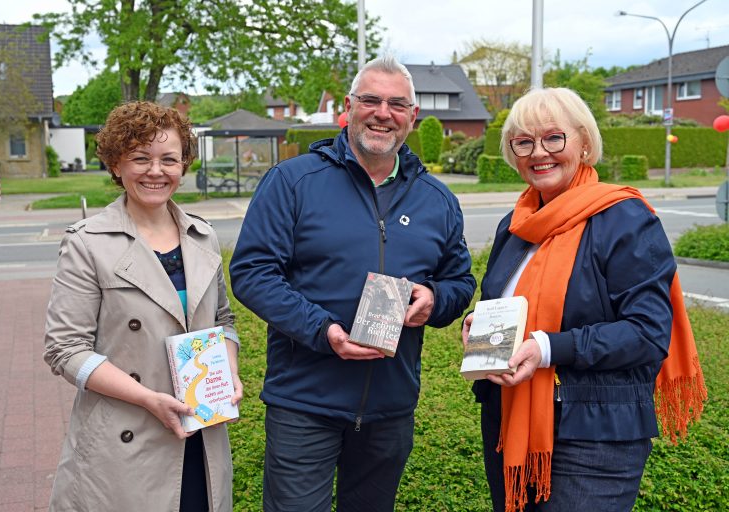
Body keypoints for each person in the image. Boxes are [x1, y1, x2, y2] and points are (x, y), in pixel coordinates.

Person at [229, 55, 476, 511]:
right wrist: (323, 332)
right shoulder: (294, 181)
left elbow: (460, 279)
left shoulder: (436, 199)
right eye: (371, 100)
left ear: (412, 116)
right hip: (306, 403)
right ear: (349, 106)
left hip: (390, 407)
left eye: (397, 104)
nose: (384, 113)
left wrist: (435, 298)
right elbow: (252, 272)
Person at [462, 87, 706, 512]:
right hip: (510, 424)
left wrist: (547, 347)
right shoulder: (515, 225)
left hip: (595, 436)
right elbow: (504, 302)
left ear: (585, 143)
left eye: (553, 138)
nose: (539, 152)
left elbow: (648, 334)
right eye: (524, 141)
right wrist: (480, 328)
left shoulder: (623, 218)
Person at [43, 101, 242, 511]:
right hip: (126, 438)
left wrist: (230, 374)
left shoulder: (201, 236)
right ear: (116, 165)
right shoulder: (87, 242)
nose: (156, 171)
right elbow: (65, 350)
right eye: (140, 158)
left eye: (169, 159)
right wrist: (148, 398)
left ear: (183, 166)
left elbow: (223, 321)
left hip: (200, 433)